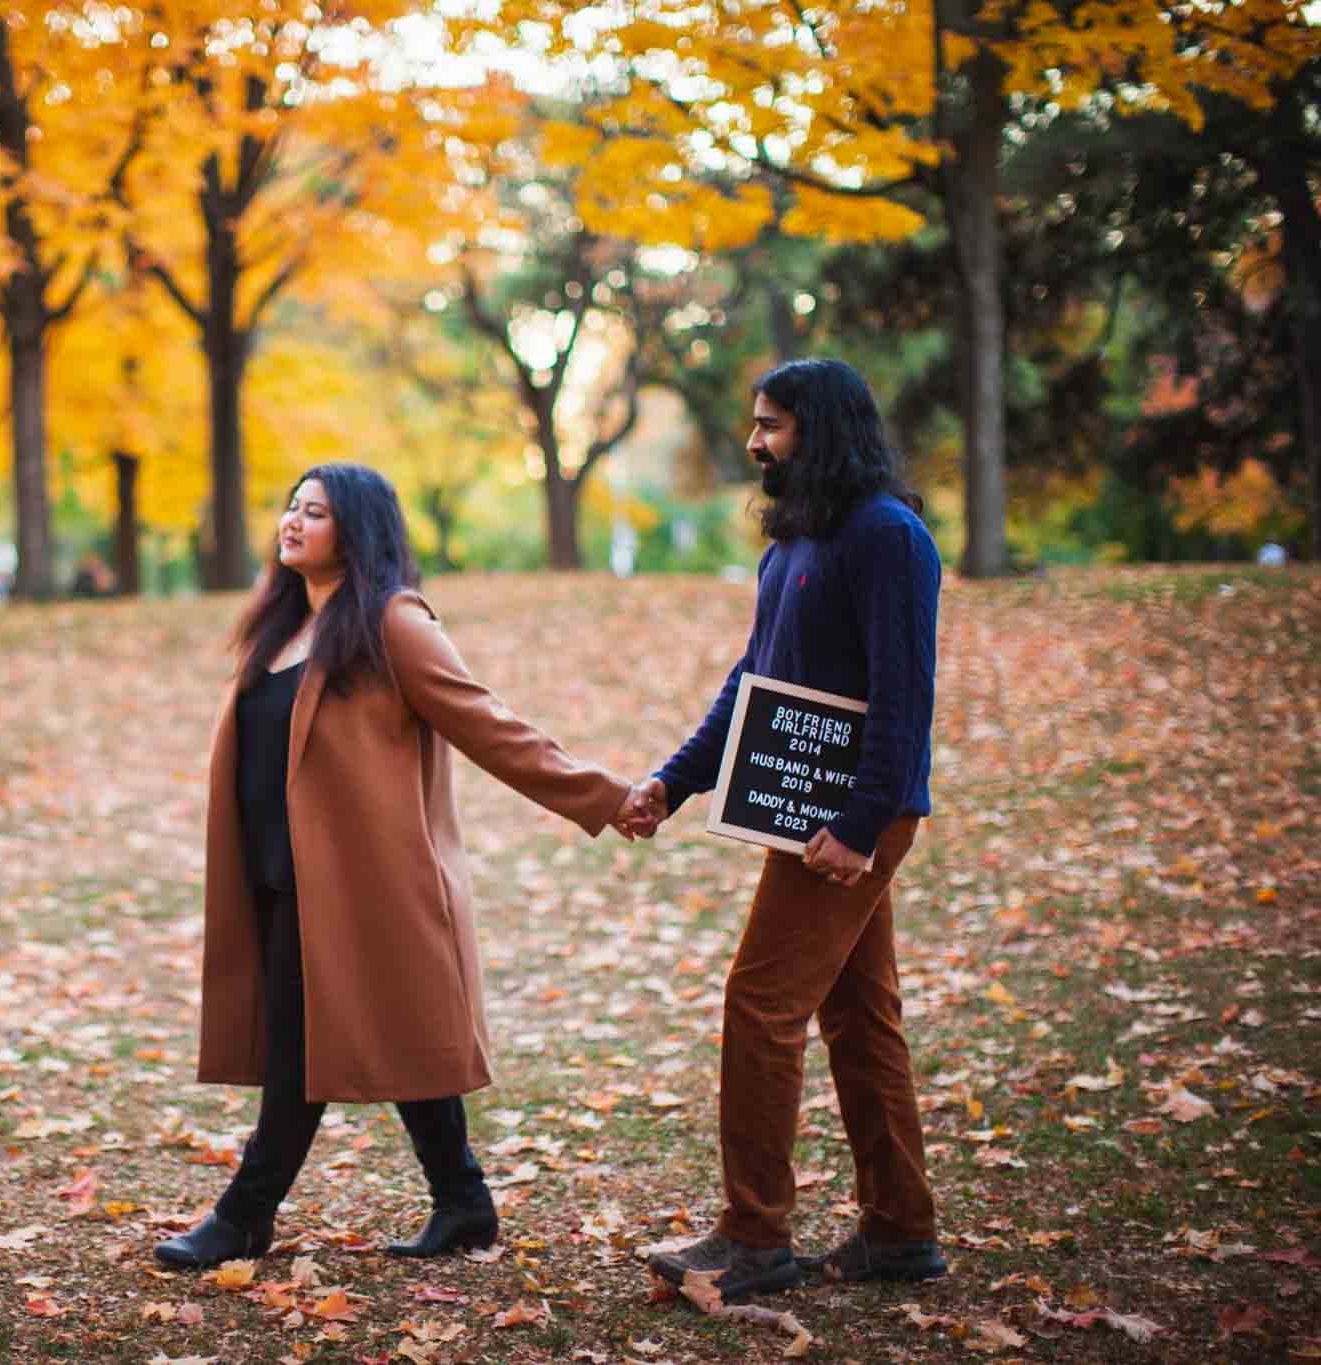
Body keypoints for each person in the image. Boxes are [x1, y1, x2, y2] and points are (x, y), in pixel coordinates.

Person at [155, 463, 649, 1269]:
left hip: (367, 884)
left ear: (354, 530)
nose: (291, 520)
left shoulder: (392, 624)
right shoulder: (280, 627)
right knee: (389, 1037)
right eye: (290, 505)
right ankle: (462, 1200)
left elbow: (490, 724)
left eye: (313, 511)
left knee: (298, 1054)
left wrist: (604, 795)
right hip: (281, 878)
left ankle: (245, 1214)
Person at [628, 359, 947, 1301]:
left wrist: (859, 824)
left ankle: (754, 1234)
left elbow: (904, 698)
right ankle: (899, 1230)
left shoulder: (890, 537)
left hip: (853, 817)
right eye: (755, 423)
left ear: (824, 427)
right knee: (859, 1016)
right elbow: (751, 681)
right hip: (802, 811)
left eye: (771, 425)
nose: (755, 441)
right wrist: (674, 781)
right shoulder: (798, 540)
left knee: (760, 1004)